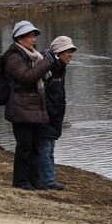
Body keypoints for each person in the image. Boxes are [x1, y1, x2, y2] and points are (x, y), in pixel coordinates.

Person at [4, 20, 59, 190]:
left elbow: (45, 76)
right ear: (20, 38)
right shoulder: (14, 57)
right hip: (20, 108)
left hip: (35, 107)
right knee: (25, 146)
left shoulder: (35, 56)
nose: (33, 39)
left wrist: (52, 63)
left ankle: (35, 181)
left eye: (34, 35)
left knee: (35, 145)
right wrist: (47, 62)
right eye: (30, 36)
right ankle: (21, 181)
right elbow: (27, 77)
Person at [37, 36, 78, 191]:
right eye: (67, 51)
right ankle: (47, 180)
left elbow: (58, 93)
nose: (70, 54)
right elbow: (42, 92)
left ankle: (49, 178)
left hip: (55, 115)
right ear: (58, 52)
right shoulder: (48, 67)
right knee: (45, 147)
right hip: (46, 114)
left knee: (50, 147)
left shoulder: (61, 67)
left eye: (72, 51)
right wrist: (47, 110)